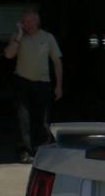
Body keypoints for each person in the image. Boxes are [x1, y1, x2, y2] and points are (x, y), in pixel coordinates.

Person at [4, 9, 63, 164]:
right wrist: (18, 35)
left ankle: (42, 149)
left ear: (37, 22)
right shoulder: (18, 37)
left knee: (42, 118)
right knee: (23, 119)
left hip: (42, 83)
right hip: (22, 82)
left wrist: (59, 86)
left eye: (31, 22)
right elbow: (9, 55)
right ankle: (25, 151)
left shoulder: (48, 37)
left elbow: (57, 62)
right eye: (25, 22)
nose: (28, 25)